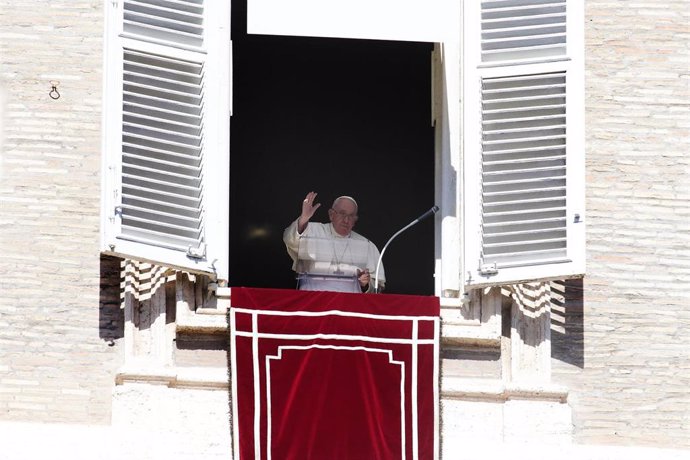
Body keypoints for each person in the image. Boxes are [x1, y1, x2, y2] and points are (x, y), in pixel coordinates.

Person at [283, 191, 385, 293]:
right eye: (342, 213)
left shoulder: (366, 245)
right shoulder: (312, 231)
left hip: (348, 304)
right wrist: (303, 219)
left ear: (355, 220)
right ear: (331, 214)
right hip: (313, 300)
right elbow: (289, 239)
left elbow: (378, 287)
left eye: (351, 216)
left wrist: (365, 284)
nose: (346, 220)